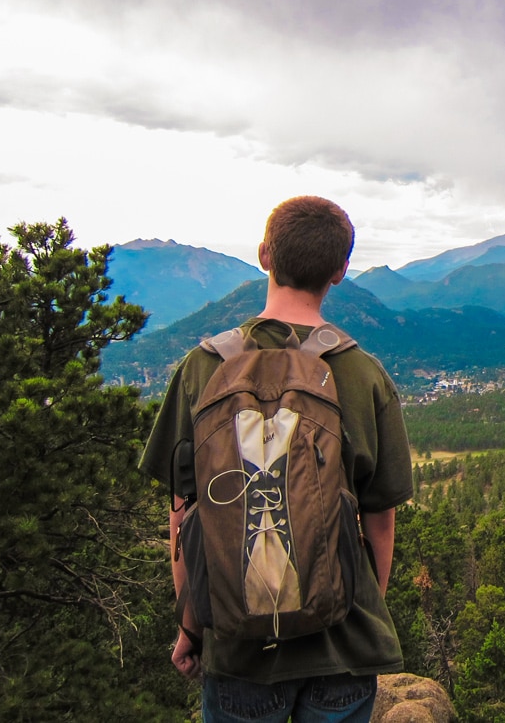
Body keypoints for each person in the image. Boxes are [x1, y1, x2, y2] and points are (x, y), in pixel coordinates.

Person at [140, 196, 413, 723]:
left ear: (264, 254)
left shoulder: (201, 369)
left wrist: (190, 628)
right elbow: (380, 522)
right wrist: (360, 614)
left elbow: (183, 520)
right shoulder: (363, 374)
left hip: (239, 652)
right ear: (341, 270)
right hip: (341, 649)